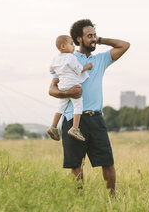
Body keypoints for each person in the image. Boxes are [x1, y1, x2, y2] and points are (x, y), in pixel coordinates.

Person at [48, 19, 130, 196]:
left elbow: (124, 45)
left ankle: (112, 199)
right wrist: (68, 93)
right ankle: (80, 201)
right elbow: (52, 89)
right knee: (76, 165)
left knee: (107, 162)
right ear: (78, 39)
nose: (93, 39)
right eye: (89, 36)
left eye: (94, 35)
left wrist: (99, 40)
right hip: (73, 119)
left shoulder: (101, 59)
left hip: (96, 118)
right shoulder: (66, 58)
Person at [48, 35, 92, 142]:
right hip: (73, 85)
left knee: (61, 107)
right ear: (63, 46)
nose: (73, 47)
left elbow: (51, 71)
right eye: (71, 44)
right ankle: (75, 128)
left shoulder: (55, 58)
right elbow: (79, 69)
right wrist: (88, 66)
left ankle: (53, 126)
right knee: (78, 106)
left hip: (62, 86)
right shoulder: (71, 57)